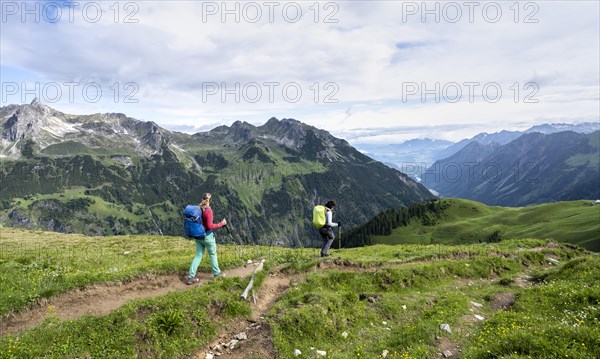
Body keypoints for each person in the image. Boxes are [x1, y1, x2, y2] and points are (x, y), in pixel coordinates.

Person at [187, 193, 227, 284]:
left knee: (198, 255)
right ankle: (217, 273)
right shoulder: (208, 211)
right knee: (212, 254)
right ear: (210, 201)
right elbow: (209, 226)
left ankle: (191, 276)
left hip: (198, 236)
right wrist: (221, 223)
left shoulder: (198, 208)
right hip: (207, 236)